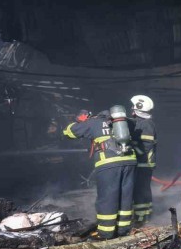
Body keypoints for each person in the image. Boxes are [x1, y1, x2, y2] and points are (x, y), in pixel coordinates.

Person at [63, 109, 137, 240]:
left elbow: (69, 132)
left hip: (109, 163)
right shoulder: (126, 122)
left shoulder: (93, 122)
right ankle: (123, 230)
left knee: (107, 197)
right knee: (125, 196)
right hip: (130, 161)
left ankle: (106, 233)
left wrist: (80, 121)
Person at [129, 95, 156, 225]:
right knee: (143, 190)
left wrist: (131, 145)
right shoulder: (141, 123)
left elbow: (146, 146)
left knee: (140, 191)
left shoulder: (146, 124)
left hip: (144, 163)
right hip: (143, 163)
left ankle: (141, 218)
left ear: (137, 109)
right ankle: (145, 215)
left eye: (133, 108)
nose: (131, 109)